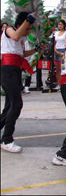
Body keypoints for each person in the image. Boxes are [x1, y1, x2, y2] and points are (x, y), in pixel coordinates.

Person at [1, 12, 38, 153]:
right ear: (21, 24)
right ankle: (6, 139)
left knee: (9, 107)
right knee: (17, 104)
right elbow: (15, 36)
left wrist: (37, 50)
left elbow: (22, 54)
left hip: (15, 71)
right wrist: (28, 20)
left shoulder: (21, 37)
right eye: (28, 28)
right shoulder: (9, 29)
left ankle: (5, 137)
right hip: (7, 70)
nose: (29, 31)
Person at [54, 20, 66, 85]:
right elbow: (54, 42)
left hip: (63, 51)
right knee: (57, 70)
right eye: (59, 24)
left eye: (61, 24)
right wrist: (55, 50)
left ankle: (63, 83)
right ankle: (58, 84)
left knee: (62, 68)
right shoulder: (56, 33)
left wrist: (65, 52)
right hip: (56, 51)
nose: (60, 26)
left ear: (64, 25)